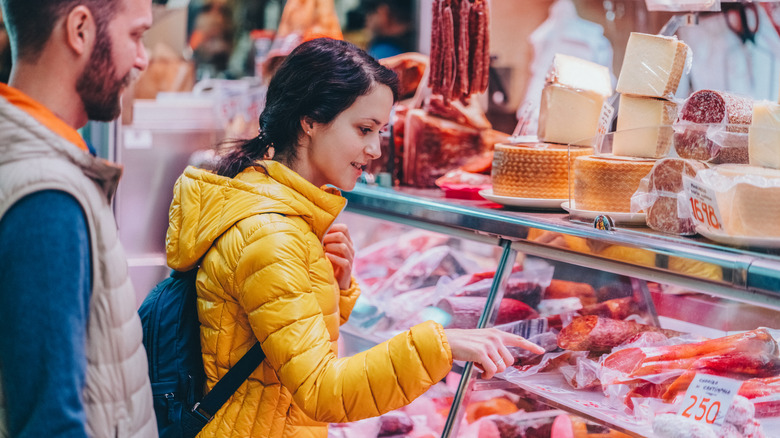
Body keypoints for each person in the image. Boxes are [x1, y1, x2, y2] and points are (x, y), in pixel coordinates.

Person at [164, 37, 544, 438]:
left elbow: (276, 347)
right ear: (309, 121)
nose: (375, 149)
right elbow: (322, 391)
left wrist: (333, 287)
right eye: (364, 129)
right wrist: (441, 345)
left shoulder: (278, 208)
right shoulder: (272, 235)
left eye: (379, 131)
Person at [0, 0, 157, 437]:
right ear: (81, 30)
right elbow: (49, 425)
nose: (142, 59)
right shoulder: (46, 199)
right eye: (136, 36)